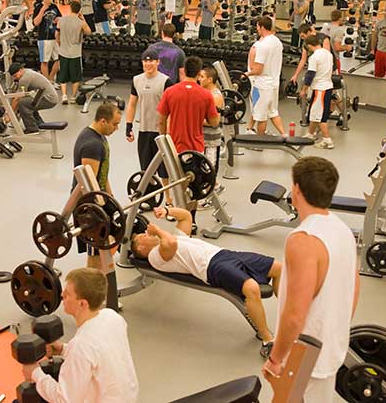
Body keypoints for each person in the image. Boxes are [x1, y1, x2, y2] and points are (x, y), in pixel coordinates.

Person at [263, 157, 359, 402]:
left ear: (296, 190)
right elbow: (353, 289)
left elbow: (295, 315)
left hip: (304, 356)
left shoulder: (303, 240)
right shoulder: (343, 229)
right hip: (331, 345)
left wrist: (276, 358)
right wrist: (334, 330)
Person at [131, 205, 282, 353]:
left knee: (279, 268)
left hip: (226, 254)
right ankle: (267, 339)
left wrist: (166, 211)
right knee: (252, 288)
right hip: (211, 267)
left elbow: (186, 216)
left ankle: (286, 314)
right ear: (141, 249)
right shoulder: (155, 257)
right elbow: (171, 244)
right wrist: (157, 230)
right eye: (142, 236)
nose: (146, 233)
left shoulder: (176, 237)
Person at [22, 267, 138, 403]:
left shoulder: (81, 346)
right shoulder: (112, 317)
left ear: (82, 304)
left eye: (67, 294)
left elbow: (64, 400)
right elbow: (99, 354)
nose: (61, 296)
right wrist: (63, 349)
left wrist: (35, 373)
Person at [73, 103, 122, 269]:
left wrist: (111, 198)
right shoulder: (92, 145)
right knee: (95, 250)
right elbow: (89, 183)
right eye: (115, 124)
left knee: (106, 243)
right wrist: (99, 208)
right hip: (90, 205)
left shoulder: (99, 137)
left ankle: (102, 278)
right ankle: (93, 287)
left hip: (100, 199)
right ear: (103, 121)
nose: (117, 128)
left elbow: (102, 174)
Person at [126, 48, 173, 179]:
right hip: (144, 130)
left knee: (165, 171)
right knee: (146, 171)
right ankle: (149, 197)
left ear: (158, 62)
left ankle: (168, 199)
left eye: (151, 61)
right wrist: (128, 126)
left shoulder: (166, 81)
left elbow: (172, 108)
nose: (148, 64)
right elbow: (132, 104)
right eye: (145, 62)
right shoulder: (136, 80)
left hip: (161, 132)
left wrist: (169, 131)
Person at [157, 56, 219, 154]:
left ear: (184, 71)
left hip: (174, 147)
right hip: (196, 148)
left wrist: (164, 141)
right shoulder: (207, 95)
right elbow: (214, 123)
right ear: (199, 74)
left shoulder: (169, 92)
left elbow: (161, 121)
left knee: (173, 169)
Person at [245, 17, 287, 137]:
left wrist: (246, 74)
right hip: (274, 83)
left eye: (258, 27)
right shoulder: (277, 42)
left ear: (262, 27)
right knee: (273, 112)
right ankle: (285, 136)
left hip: (262, 85)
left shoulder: (262, 46)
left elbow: (258, 69)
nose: (257, 29)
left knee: (261, 116)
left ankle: (259, 142)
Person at [301, 35, 335, 149]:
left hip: (320, 89)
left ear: (309, 45)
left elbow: (310, 75)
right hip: (327, 87)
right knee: (315, 113)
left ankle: (327, 140)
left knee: (320, 117)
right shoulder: (328, 54)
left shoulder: (314, 57)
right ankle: (311, 134)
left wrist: (304, 90)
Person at [6, 63, 58, 135]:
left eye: (15, 75)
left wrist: (9, 115)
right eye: (13, 77)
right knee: (29, 101)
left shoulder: (24, 79)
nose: (15, 78)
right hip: (47, 97)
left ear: (20, 70)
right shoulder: (27, 71)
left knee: (22, 103)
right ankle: (40, 124)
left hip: (49, 99)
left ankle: (32, 129)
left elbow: (17, 98)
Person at [55, 0, 90, 104]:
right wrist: (84, 20)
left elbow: (56, 34)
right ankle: (73, 97)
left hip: (63, 52)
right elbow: (89, 32)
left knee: (63, 76)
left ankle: (64, 95)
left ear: (70, 8)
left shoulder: (61, 20)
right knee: (75, 77)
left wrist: (59, 43)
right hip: (75, 53)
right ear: (79, 10)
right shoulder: (81, 23)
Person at [199, 65, 225, 171]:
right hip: (200, 139)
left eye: (202, 76)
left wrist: (192, 119)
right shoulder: (203, 92)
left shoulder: (215, 97)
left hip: (210, 141)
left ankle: (216, 186)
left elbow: (214, 122)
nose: (199, 79)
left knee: (209, 171)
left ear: (209, 80)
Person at [33, 0, 62, 82]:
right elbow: (36, 22)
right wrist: (42, 10)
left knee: (59, 59)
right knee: (44, 61)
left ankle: (51, 79)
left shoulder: (54, 6)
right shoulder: (38, 7)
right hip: (44, 38)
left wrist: (58, 19)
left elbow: (60, 17)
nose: (50, 1)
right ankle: (47, 83)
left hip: (55, 37)